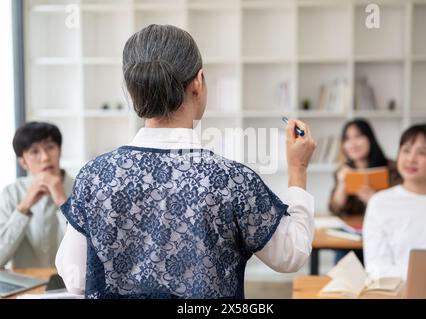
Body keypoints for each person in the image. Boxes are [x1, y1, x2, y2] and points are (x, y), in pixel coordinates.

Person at [56, 24, 317, 299]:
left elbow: (75, 277)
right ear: (198, 82)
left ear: (132, 90)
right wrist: (298, 169)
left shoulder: (95, 176)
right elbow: (291, 254)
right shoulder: (231, 180)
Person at [363, 123, 426, 280]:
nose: (411, 159)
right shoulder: (379, 202)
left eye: (422, 152)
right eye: (406, 150)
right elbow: (375, 267)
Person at [0, 122, 73, 268]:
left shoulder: (81, 188)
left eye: (50, 147)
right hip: (24, 286)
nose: (45, 157)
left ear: (60, 151)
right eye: (34, 152)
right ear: (23, 163)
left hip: (70, 287)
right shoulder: (10, 193)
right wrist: (24, 207)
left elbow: (88, 252)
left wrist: (62, 201)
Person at [328, 119, 402, 263]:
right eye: (347, 139)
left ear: (370, 138)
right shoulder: (342, 171)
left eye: (358, 136)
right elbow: (335, 209)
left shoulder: (392, 169)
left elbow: (400, 207)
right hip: (351, 239)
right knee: (343, 263)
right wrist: (343, 184)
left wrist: (375, 200)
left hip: (385, 235)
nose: (353, 143)